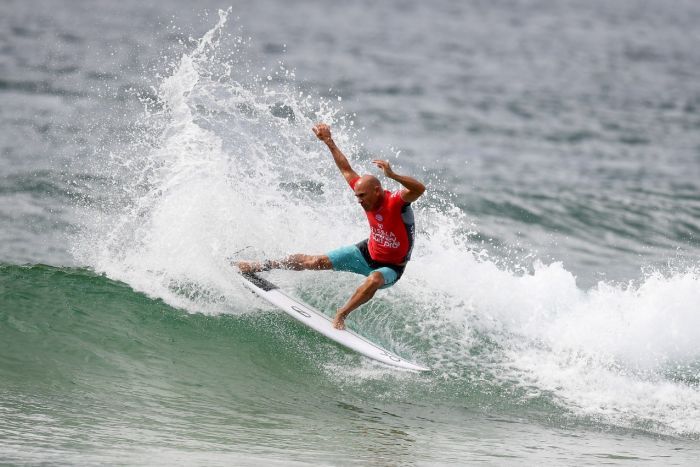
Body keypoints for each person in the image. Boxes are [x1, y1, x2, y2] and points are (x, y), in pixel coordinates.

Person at [236, 123, 425, 330]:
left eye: (362, 196)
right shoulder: (364, 193)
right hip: (366, 252)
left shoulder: (395, 202)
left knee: (374, 279)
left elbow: (419, 189)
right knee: (313, 261)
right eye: (357, 196)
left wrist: (393, 175)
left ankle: (341, 315)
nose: (359, 200)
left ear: (377, 191)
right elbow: (346, 169)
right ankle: (259, 265)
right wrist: (328, 141)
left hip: (391, 267)